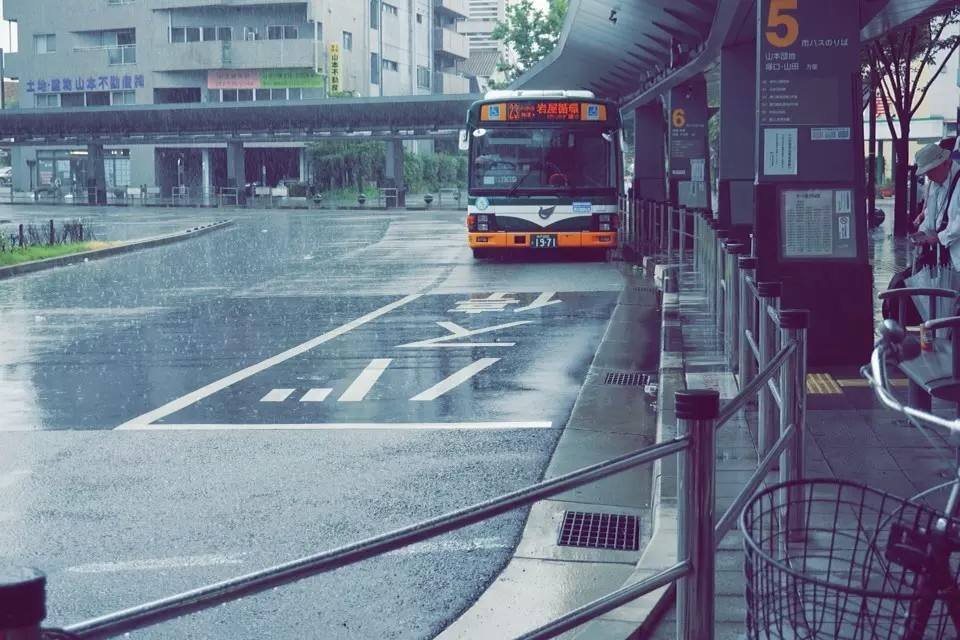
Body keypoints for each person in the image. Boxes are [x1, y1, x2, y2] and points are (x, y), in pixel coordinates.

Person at [913, 143, 960, 269]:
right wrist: (923, 232)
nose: (928, 176)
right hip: (945, 260)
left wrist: (939, 237)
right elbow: (931, 212)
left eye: (930, 171)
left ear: (944, 163)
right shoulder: (934, 184)